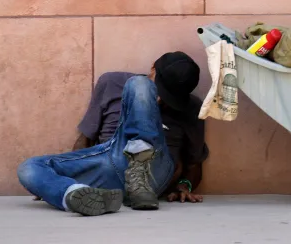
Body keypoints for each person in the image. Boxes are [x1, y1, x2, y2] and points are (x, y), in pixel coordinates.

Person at [17, 52, 209, 216]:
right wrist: (52, 182)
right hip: (110, 159)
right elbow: (86, 139)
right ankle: (73, 194)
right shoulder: (112, 83)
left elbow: (193, 165)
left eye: (169, 99)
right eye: (159, 91)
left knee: (139, 83)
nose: (159, 100)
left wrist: (185, 185)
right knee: (30, 167)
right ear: (153, 68)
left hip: (154, 172)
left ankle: (140, 175)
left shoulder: (193, 108)